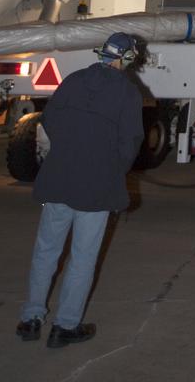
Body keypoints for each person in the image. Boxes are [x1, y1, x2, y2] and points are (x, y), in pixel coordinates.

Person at [15, 31, 143, 348]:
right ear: (126, 59)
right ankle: (65, 327)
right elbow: (130, 144)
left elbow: (50, 123)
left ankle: (30, 320)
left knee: (45, 252)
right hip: (96, 188)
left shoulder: (72, 80)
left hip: (58, 180)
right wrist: (110, 169)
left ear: (101, 54)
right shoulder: (127, 93)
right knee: (82, 259)